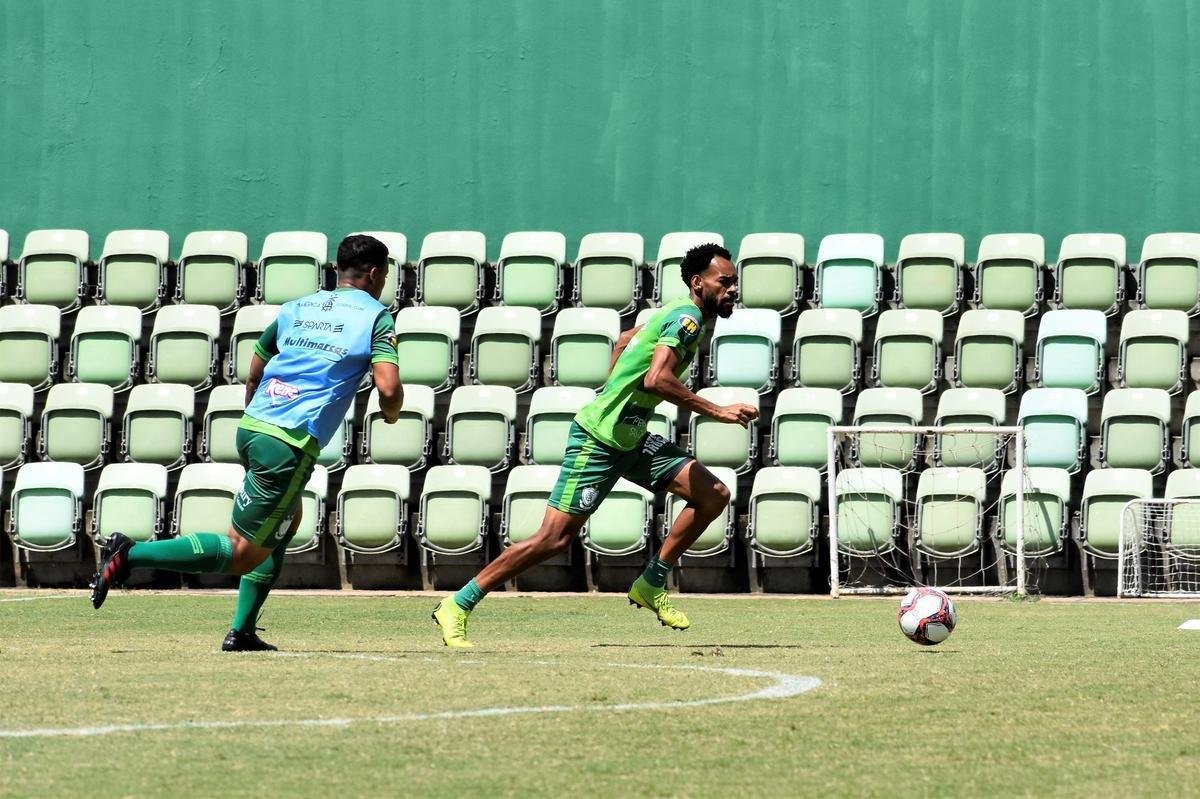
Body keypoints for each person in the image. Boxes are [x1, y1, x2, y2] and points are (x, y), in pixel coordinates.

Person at [432, 243, 758, 648]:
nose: (732, 290)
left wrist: (615, 389)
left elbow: (625, 338)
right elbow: (657, 379)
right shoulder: (688, 318)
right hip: (599, 441)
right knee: (554, 539)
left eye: (734, 282)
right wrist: (716, 411)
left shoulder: (676, 312)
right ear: (698, 283)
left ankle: (651, 583)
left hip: (632, 438)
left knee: (712, 494)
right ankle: (457, 604)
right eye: (724, 282)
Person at [90, 234, 403, 651]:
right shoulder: (376, 316)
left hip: (254, 425)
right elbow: (387, 387)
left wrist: (258, 412)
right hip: (289, 442)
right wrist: (392, 412)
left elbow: (256, 365)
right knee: (243, 553)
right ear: (377, 273)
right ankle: (130, 555)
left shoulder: (299, 307)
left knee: (286, 520)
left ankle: (243, 631)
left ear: (338, 268)